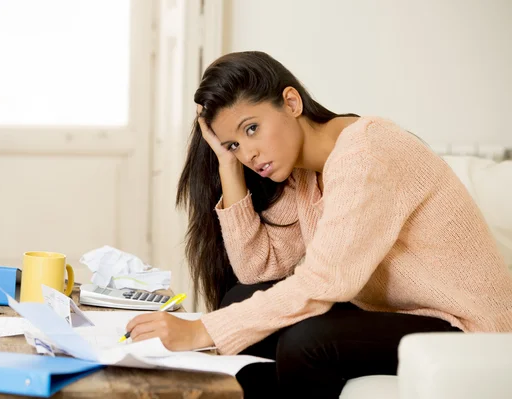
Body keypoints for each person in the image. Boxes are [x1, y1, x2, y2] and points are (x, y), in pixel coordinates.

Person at [125, 51, 512, 397]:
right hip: (402, 315)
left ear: (291, 102)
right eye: (234, 145)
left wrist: (202, 330)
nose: (249, 153)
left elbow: (327, 282)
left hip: (467, 327)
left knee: (308, 344)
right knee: (238, 299)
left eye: (251, 129)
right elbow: (257, 269)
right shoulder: (305, 175)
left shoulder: (366, 152)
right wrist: (227, 166)